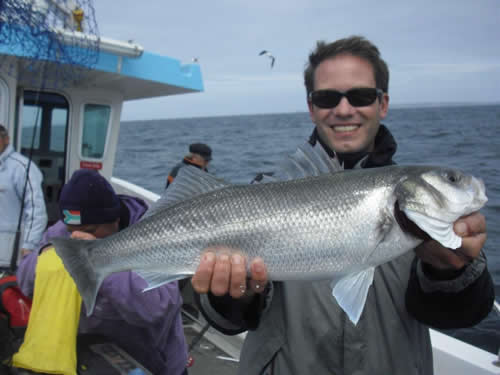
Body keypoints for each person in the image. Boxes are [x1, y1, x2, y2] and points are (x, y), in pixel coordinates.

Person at [190, 36, 495, 374]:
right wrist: (234, 296)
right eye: (327, 98)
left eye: (361, 96)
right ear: (311, 107)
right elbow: (229, 321)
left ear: (383, 103)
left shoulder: (428, 220)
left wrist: (451, 272)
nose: (344, 109)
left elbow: (463, 315)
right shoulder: (261, 196)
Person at [16, 169, 188, 375]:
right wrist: (46, 255)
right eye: (71, 230)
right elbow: (24, 281)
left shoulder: (154, 234)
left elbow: (158, 306)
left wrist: (100, 259)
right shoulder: (65, 230)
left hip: (153, 363)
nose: (77, 236)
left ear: (114, 220)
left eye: (88, 231)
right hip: (96, 354)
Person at [0, 124, 47, 265]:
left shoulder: (22, 167)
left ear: (6, 140)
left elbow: (36, 210)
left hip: (10, 257)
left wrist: (29, 245)